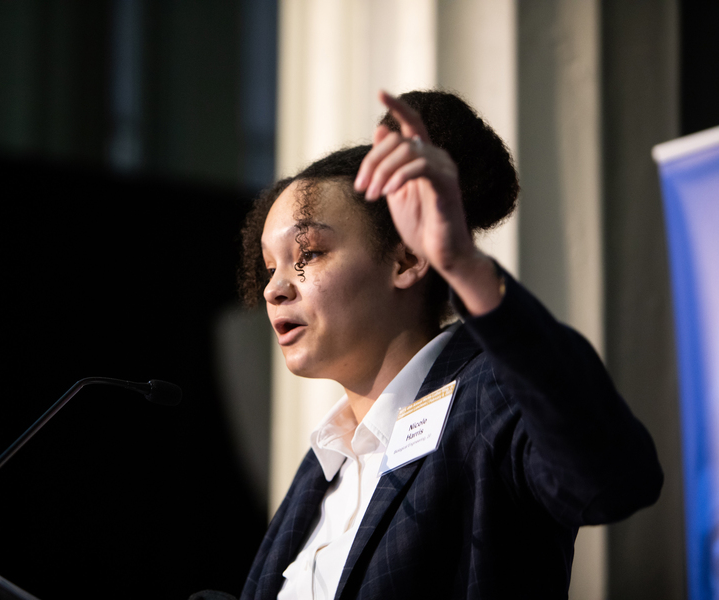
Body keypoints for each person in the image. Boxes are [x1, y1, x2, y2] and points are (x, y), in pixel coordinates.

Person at [235, 90, 663, 600]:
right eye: (270, 265)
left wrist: (463, 261)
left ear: (407, 260)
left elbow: (616, 480)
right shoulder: (326, 463)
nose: (274, 288)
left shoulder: (489, 393)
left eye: (308, 253)